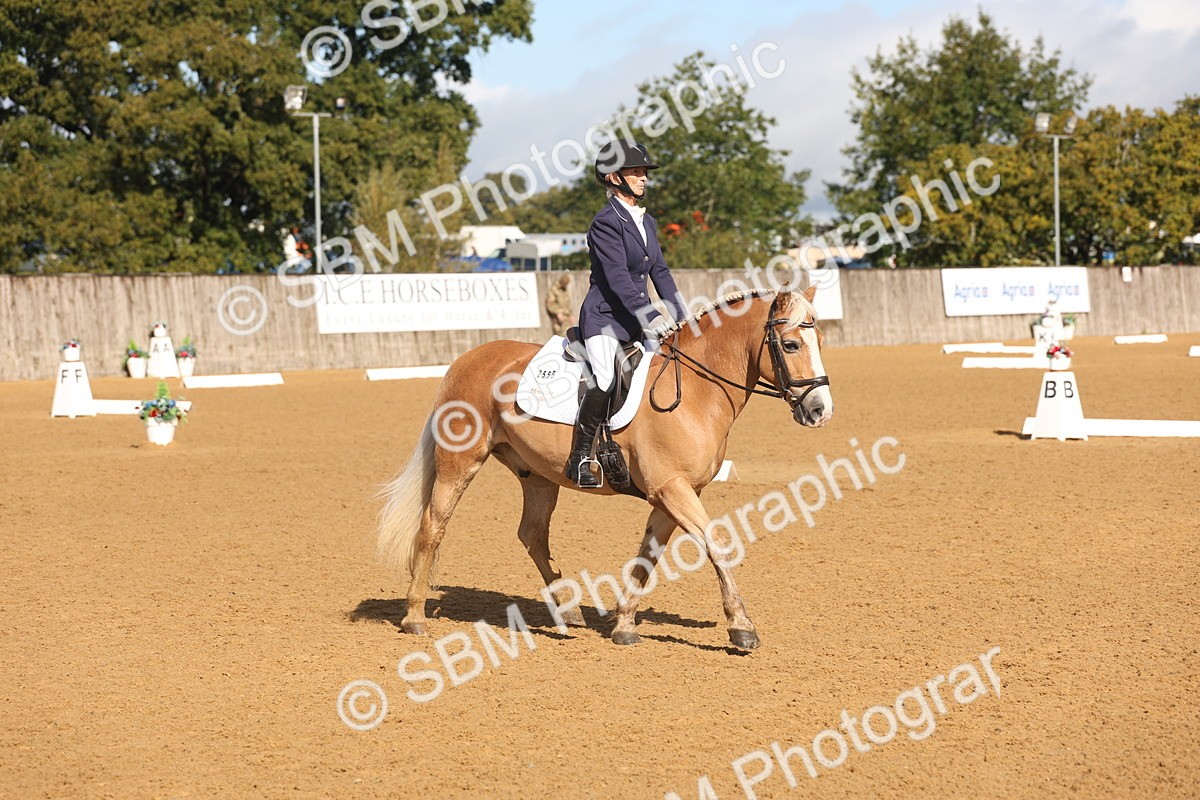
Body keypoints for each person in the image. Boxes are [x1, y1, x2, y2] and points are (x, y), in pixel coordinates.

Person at [565, 140, 687, 489]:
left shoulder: (646, 221)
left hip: (636, 318)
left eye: (644, 172)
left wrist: (682, 315)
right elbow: (617, 277)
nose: (643, 178)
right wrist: (650, 313)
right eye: (635, 172)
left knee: (668, 367)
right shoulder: (605, 222)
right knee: (604, 379)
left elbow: (659, 272)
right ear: (613, 177)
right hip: (604, 317)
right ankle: (580, 458)